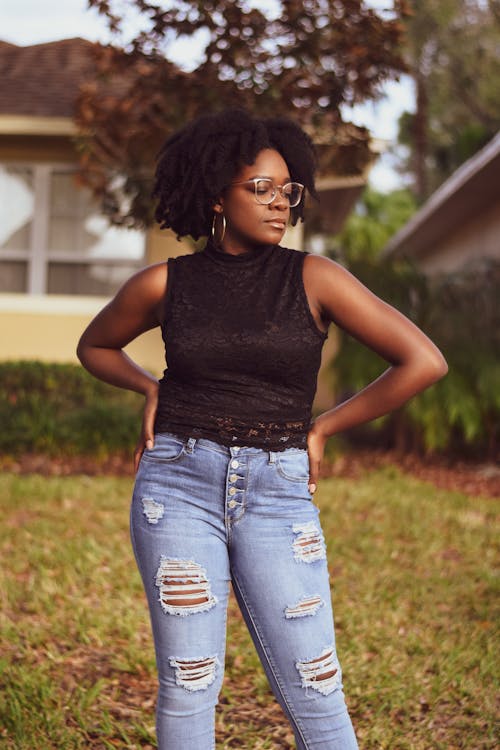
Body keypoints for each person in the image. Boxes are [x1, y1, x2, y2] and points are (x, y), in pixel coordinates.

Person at [77, 108, 447, 750]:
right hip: (179, 486)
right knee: (189, 685)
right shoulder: (165, 284)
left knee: (315, 683)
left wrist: (326, 426)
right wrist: (150, 386)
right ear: (218, 194)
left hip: (278, 494)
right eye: (261, 189)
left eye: (289, 190)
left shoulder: (314, 277)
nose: (280, 204)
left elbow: (423, 361)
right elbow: (95, 347)